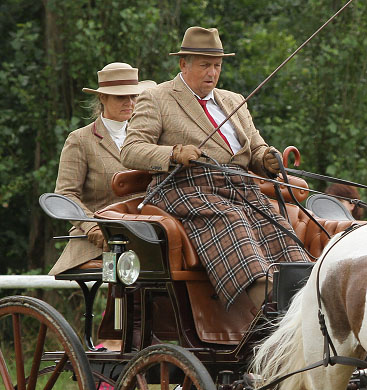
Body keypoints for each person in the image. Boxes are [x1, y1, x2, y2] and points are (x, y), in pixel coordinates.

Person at [121, 26, 311, 310]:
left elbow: (257, 149)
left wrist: (268, 160)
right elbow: (131, 150)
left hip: (241, 188)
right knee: (231, 219)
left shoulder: (234, 101)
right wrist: (174, 153)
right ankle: (270, 309)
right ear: (183, 64)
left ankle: (305, 297)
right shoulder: (158, 98)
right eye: (205, 65)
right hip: (184, 187)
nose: (212, 73)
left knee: (280, 232)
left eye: (217, 66)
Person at [49, 63, 154, 275]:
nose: (130, 103)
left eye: (134, 96)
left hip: (144, 236)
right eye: (120, 97)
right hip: (97, 241)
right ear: (102, 98)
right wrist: (93, 228)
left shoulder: (146, 138)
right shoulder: (80, 140)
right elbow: (66, 195)